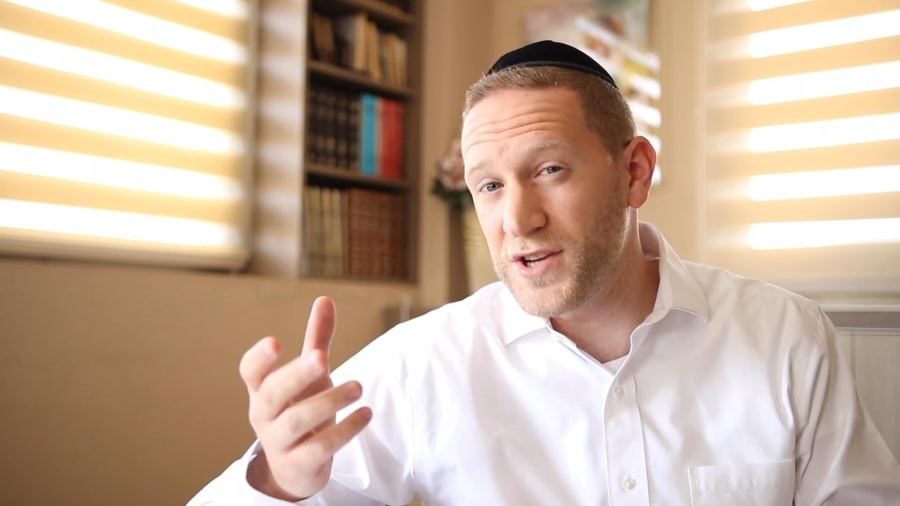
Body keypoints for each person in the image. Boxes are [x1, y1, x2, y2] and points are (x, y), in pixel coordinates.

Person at [188, 40, 900, 505]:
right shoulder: (425, 361)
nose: (517, 219)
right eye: (489, 185)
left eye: (550, 169)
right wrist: (282, 481)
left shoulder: (786, 337)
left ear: (634, 172)